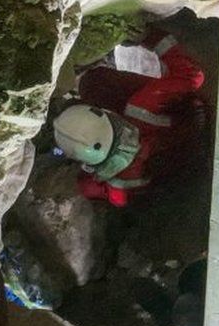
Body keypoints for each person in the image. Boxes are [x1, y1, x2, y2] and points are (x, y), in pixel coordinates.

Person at [52, 28, 207, 207]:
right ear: (106, 114)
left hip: (179, 164)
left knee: (94, 84)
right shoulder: (144, 108)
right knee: (94, 83)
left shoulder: (118, 189)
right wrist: (147, 34)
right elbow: (191, 74)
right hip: (188, 128)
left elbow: (89, 186)